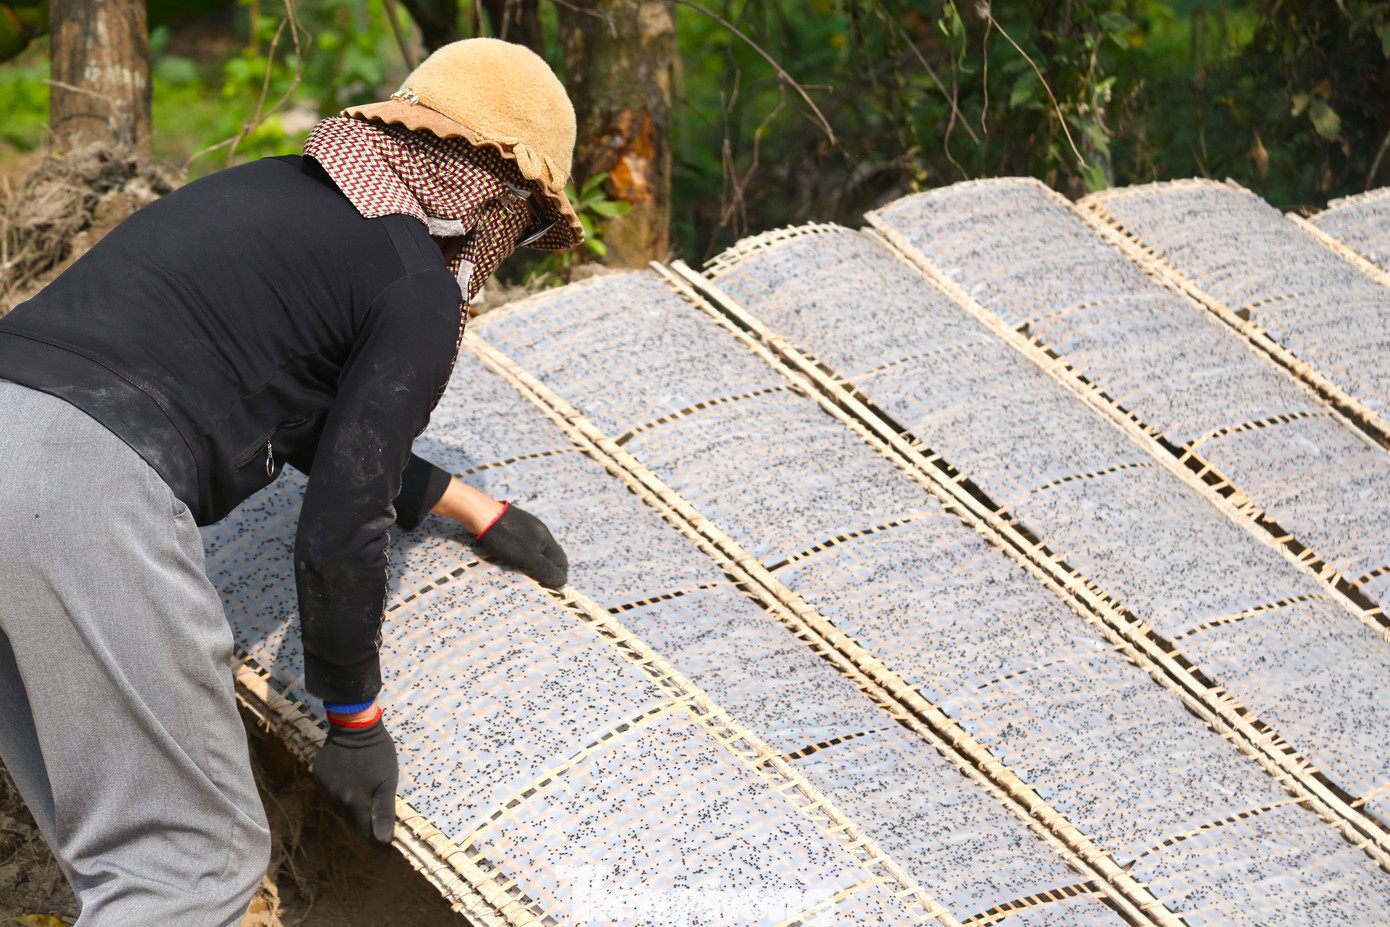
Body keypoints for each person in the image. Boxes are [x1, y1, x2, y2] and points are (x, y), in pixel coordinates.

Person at [0, 38, 580, 926]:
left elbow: (301, 418)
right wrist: (354, 717)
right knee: (191, 866)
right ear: (502, 194)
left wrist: (467, 503)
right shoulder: (411, 279)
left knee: (117, 860)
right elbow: (338, 527)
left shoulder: (270, 194)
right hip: (77, 489)